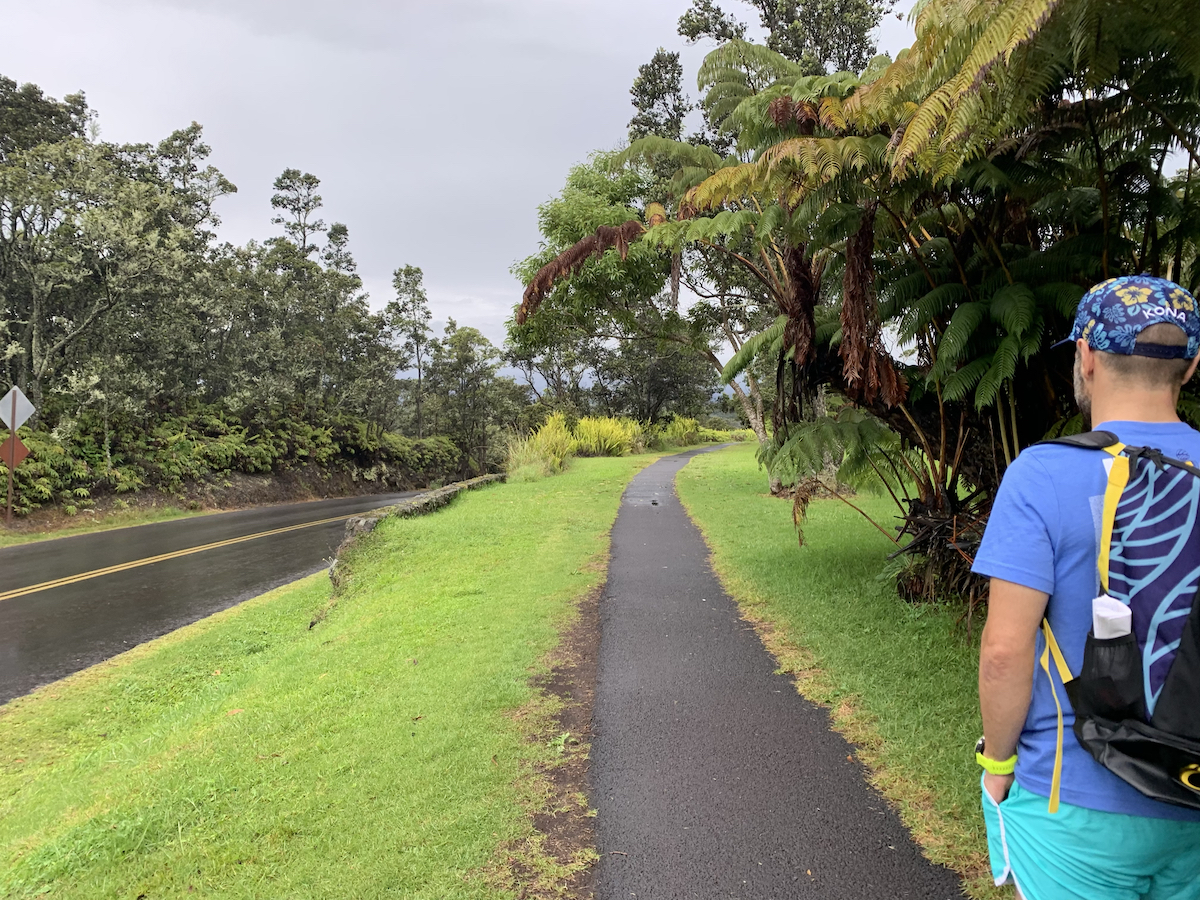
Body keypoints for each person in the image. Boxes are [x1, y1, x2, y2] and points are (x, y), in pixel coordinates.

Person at [973, 274, 1200, 900]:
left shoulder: (1041, 474)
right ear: (1192, 364)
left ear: (1087, 356)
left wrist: (996, 769)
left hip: (1073, 806)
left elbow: (1004, 651)